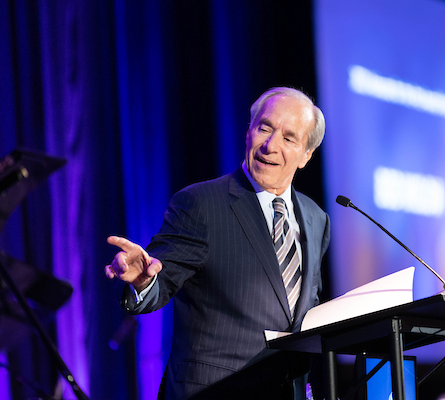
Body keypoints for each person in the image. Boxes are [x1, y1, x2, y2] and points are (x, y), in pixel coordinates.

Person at [105, 87, 330, 399]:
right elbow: (161, 276)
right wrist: (143, 283)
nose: (270, 145)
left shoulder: (316, 218)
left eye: (289, 138)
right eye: (264, 128)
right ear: (248, 131)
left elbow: (305, 307)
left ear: (306, 154)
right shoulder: (201, 204)